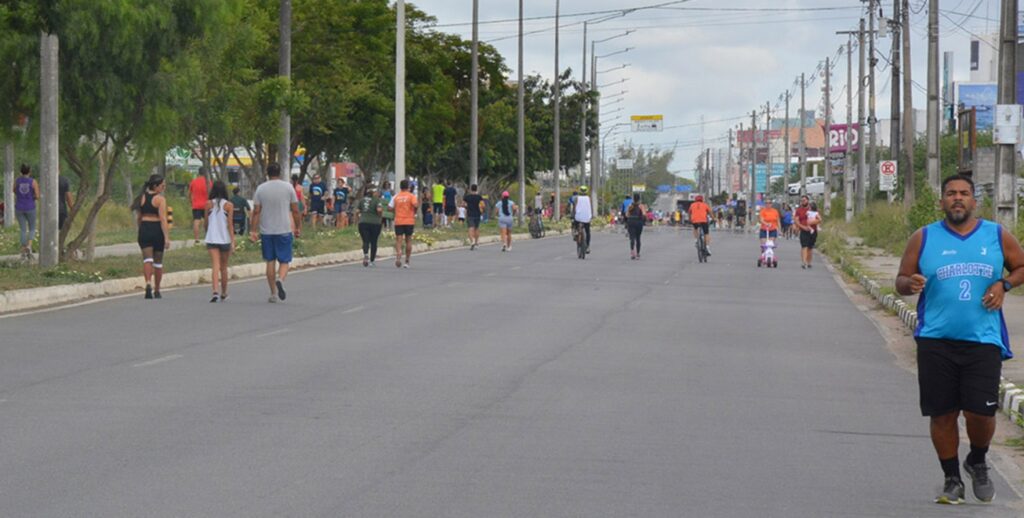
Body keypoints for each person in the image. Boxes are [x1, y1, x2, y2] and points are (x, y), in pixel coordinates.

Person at [895, 174, 1024, 505]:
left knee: (982, 414)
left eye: (964, 193)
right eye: (951, 193)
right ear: (941, 201)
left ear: (973, 201)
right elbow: (901, 279)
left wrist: (1004, 285)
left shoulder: (996, 235)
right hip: (935, 340)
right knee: (943, 414)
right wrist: (909, 284)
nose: (957, 198)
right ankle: (952, 477)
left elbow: (1022, 266)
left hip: (983, 340)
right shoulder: (923, 238)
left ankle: (977, 460)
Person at [251, 163, 301, 303]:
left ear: (267, 173)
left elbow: (256, 211)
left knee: (270, 261)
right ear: (280, 172)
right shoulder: (288, 187)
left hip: (267, 230)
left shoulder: (261, 189)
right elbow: (295, 210)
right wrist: (298, 227)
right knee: (284, 260)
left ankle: (273, 293)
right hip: (284, 229)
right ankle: (281, 279)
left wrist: (253, 230)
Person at [135, 174, 170, 300]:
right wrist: (166, 237)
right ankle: (157, 289)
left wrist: (140, 230)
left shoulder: (141, 198)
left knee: (147, 259)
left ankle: (148, 282)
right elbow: (163, 219)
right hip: (156, 230)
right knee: (158, 262)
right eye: (162, 186)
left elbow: (138, 217)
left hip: (144, 228)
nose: (163, 188)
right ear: (155, 186)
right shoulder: (160, 199)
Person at [204, 180, 236, 302]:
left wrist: (208, 232)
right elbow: (230, 225)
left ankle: (214, 291)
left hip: (212, 238)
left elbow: (206, 223)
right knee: (224, 267)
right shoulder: (229, 205)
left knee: (215, 265)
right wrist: (233, 241)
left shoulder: (208, 204)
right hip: (225, 239)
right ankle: (224, 292)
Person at [389, 179, 419, 268]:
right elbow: (416, 205)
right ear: (408, 187)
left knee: (399, 240)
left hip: (398, 221)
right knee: (408, 240)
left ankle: (398, 255)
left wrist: (397, 209)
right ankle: (407, 261)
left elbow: (389, 207)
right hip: (409, 221)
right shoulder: (411, 196)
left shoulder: (396, 196)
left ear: (400, 187)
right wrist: (414, 212)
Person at [13, 164, 39, 260]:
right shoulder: (33, 182)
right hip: (30, 207)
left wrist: (21, 196)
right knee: (32, 227)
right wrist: (31, 197)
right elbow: (37, 195)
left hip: (19, 207)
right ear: (30, 171)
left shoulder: (17, 181)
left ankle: (23, 249)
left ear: (21, 171)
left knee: (23, 229)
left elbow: (14, 190)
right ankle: (29, 245)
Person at [356, 185, 384, 266]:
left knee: (365, 240)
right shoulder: (377, 200)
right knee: (374, 241)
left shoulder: (362, 200)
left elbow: (357, 211)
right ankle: (372, 260)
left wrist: (358, 219)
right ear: (374, 192)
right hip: (375, 223)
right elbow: (379, 210)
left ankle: (365, 255)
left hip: (363, 222)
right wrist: (380, 216)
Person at [188, 168, 210, 245]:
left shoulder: (193, 182)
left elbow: (189, 194)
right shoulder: (209, 182)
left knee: (196, 221)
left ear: (198, 173)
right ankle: (208, 237)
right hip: (206, 205)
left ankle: (197, 239)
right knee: (207, 221)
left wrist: (191, 202)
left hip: (196, 205)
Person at [626, 193, 647, 260]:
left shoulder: (630, 206)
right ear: (639, 199)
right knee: (638, 238)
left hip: (631, 222)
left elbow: (627, 215)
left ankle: (632, 253)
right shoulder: (641, 206)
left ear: (633, 198)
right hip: (639, 222)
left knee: (632, 238)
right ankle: (638, 254)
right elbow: (644, 215)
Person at [572, 186, 593, 253]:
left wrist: (573, 215)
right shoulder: (589, 199)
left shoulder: (576, 198)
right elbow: (590, 208)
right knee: (588, 232)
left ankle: (575, 233)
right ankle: (588, 246)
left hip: (578, 218)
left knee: (575, 225)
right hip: (587, 218)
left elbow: (574, 208)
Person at [463, 184, 483, 250]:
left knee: (470, 228)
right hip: (477, 214)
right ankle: (476, 242)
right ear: (476, 189)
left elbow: (463, 204)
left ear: (470, 189)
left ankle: (472, 241)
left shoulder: (467, 197)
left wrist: (467, 207)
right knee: (476, 228)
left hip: (470, 214)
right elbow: (483, 205)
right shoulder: (479, 197)